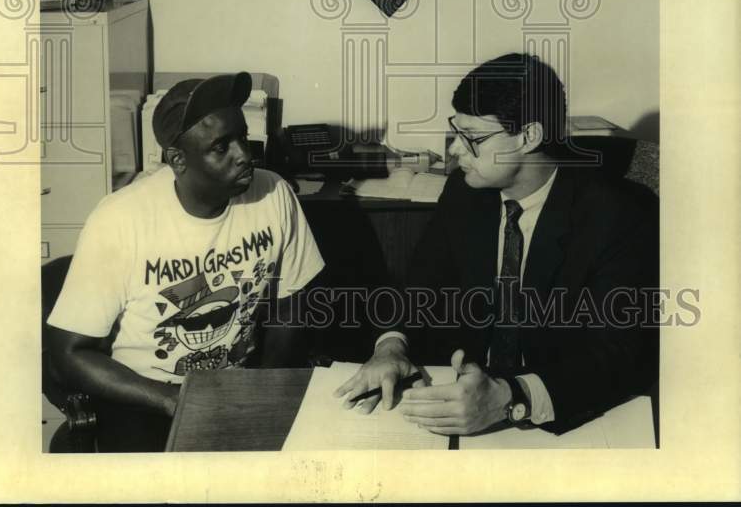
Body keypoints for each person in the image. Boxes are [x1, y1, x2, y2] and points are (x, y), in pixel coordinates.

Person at [335, 53, 658, 437]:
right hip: (464, 406)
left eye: (472, 138)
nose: (454, 151)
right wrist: (392, 346)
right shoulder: (465, 191)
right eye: (456, 131)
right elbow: (420, 285)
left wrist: (510, 397)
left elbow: (621, 354)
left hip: (569, 421)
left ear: (529, 137)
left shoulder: (621, 213)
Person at [48, 72, 324, 451]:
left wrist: (260, 391)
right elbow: (69, 355)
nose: (244, 154)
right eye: (220, 147)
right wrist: (170, 400)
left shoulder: (273, 193)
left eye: (243, 137)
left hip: (235, 387)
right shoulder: (120, 220)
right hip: (143, 396)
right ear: (178, 160)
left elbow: (292, 304)